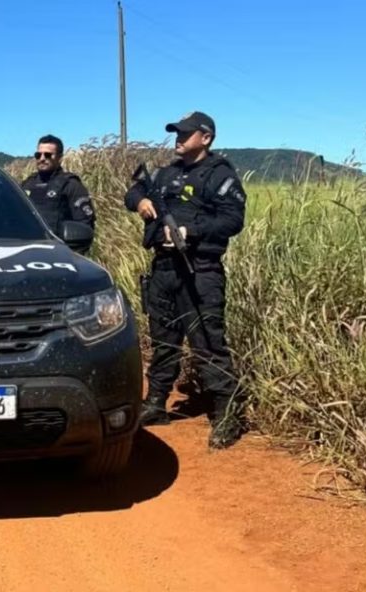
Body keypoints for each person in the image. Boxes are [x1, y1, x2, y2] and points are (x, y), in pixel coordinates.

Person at [123, 111, 247, 449]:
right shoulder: (166, 172)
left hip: (199, 270)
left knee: (207, 343)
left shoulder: (220, 175)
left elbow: (233, 220)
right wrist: (142, 201)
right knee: (163, 339)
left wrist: (189, 231)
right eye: (177, 133)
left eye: (186, 133)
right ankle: (156, 403)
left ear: (205, 137)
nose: (179, 138)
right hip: (164, 269)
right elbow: (132, 193)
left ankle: (227, 412)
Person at [21, 134, 95, 236]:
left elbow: (85, 226)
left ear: (59, 158)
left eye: (48, 155)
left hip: (58, 249)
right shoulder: (26, 185)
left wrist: (70, 250)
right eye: (38, 155)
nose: (42, 158)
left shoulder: (70, 185)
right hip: (28, 247)